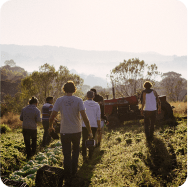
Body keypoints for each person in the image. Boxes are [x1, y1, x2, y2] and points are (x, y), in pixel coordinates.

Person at [49, 81, 93, 186]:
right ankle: (74, 173)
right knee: (76, 151)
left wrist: (50, 127)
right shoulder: (78, 100)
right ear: (74, 89)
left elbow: (52, 115)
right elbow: (85, 118)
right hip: (77, 131)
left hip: (64, 131)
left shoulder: (60, 100)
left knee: (66, 154)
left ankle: (67, 175)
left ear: (64, 89)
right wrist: (90, 131)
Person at [82, 91, 101, 161]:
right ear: (93, 97)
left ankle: (84, 155)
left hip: (84, 125)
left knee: (84, 139)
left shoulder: (83, 103)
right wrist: (99, 127)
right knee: (92, 140)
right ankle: (90, 156)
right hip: (94, 125)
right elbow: (98, 117)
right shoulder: (97, 105)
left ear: (87, 96)